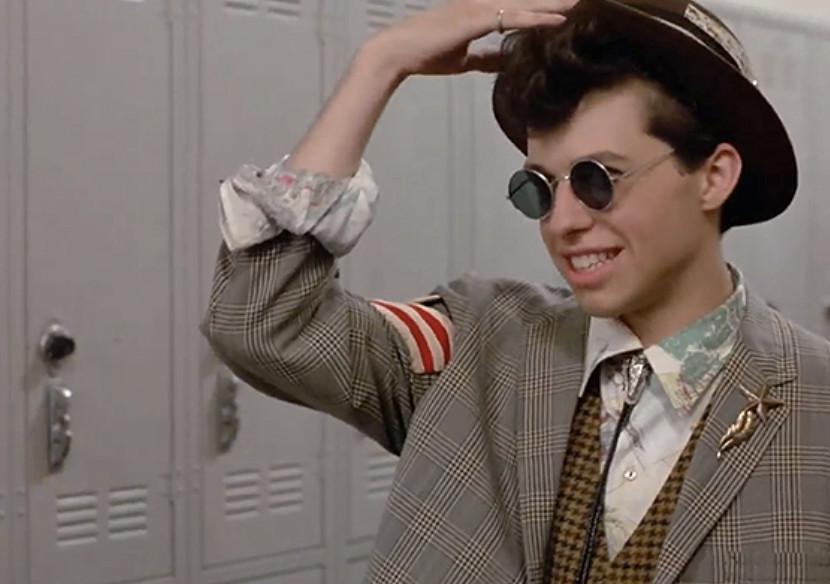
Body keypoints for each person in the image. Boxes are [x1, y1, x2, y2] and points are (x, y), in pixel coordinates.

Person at [201, 0, 830, 581]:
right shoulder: (478, 347)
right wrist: (380, 63)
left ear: (713, 177)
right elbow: (262, 323)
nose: (562, 222)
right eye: (540, 188)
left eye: (598, 179)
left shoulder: (816, 401)